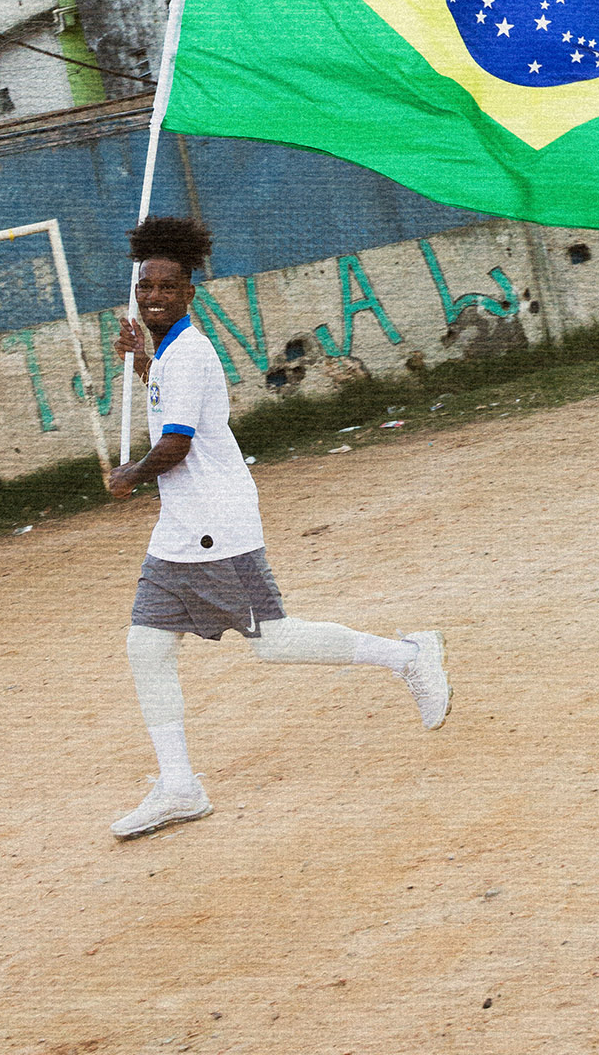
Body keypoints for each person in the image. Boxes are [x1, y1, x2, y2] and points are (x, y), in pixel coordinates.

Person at [107, 214, 451, 840]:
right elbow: (169, 401)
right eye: (145, 287)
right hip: (181, 529)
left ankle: (407, 657)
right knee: (146, 646)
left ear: (190, 292)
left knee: (273, 640)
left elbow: (177, 444)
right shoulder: (170, 354)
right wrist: (140, 362)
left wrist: (129, 475)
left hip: (214, 524)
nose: (153, 297)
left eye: (166, 287)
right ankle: (180, 784)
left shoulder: (190, 352)